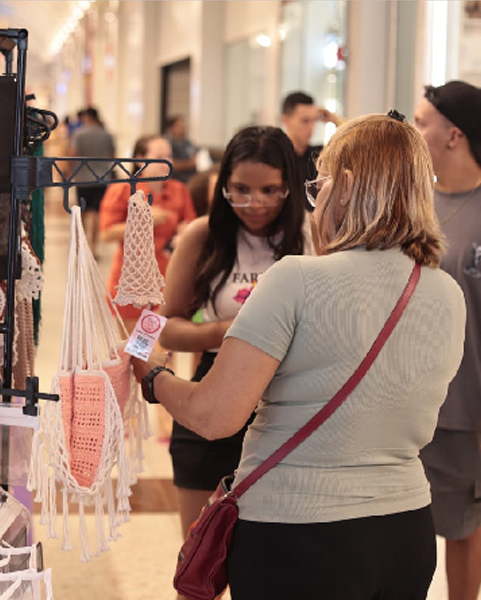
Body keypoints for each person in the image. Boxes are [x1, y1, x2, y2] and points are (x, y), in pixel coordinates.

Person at [134, 113, 466, 599]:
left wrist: (154, 378)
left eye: (320, 183)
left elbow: (215, 416)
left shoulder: (296, 279)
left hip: (299, 530)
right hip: (405, 527)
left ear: (344, 186)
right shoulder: (445, 291)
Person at [158, 127, 313, 563]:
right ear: (223, 184)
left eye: (270, 190)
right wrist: (230, 331)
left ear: (290, 186)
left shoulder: (313, 234)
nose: (255, 203)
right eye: (241, 190)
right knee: (200, 562)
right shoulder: (202, 235)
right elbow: (166, 327)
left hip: (290, 405)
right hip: (213, 394)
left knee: (274, 563)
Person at [413, 80, 481, 600]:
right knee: (401, 528)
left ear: (454, 135)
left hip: (464, 407)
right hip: (401, 399)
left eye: (421, 123)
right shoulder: (409, 204)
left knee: (463, 528)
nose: (414, 132)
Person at [99, 134, 197, 330]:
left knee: (164, 343)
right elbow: (106, 233)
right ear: (140, 159)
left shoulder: (179, 189)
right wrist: (143, 220)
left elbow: (191, 224)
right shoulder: (123, 189)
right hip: (133, 280)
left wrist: (186, 231)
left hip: (170, 278)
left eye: (169, 156)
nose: (166, 162)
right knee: (135, 345)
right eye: (159, 156)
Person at [68, 107, 115, 255]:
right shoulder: (107, 135)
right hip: (102, 178)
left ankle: (80, 246)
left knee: (82, 211)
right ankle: (93, 247)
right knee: (95, 212)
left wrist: (70, 171)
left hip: (83, 178)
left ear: (87, 117)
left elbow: (73, 153)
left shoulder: (79, 134)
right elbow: (113, 155)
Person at [280, 91, 343, 181]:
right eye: (305, 120)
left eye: (314, 120)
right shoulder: (276, 155)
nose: (311, 127)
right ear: (286, 120)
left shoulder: (319, 155)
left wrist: (337, 121)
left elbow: (355, 146)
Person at [165, 116, 198, 183]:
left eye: (183, 126)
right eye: (180, 126)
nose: (183, 128)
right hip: (179, 178)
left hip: (194, 175)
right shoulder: (167, 143)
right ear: (172, 128)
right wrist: (189, 164)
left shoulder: (188, 142)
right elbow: (168, 164)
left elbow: (196, 153)